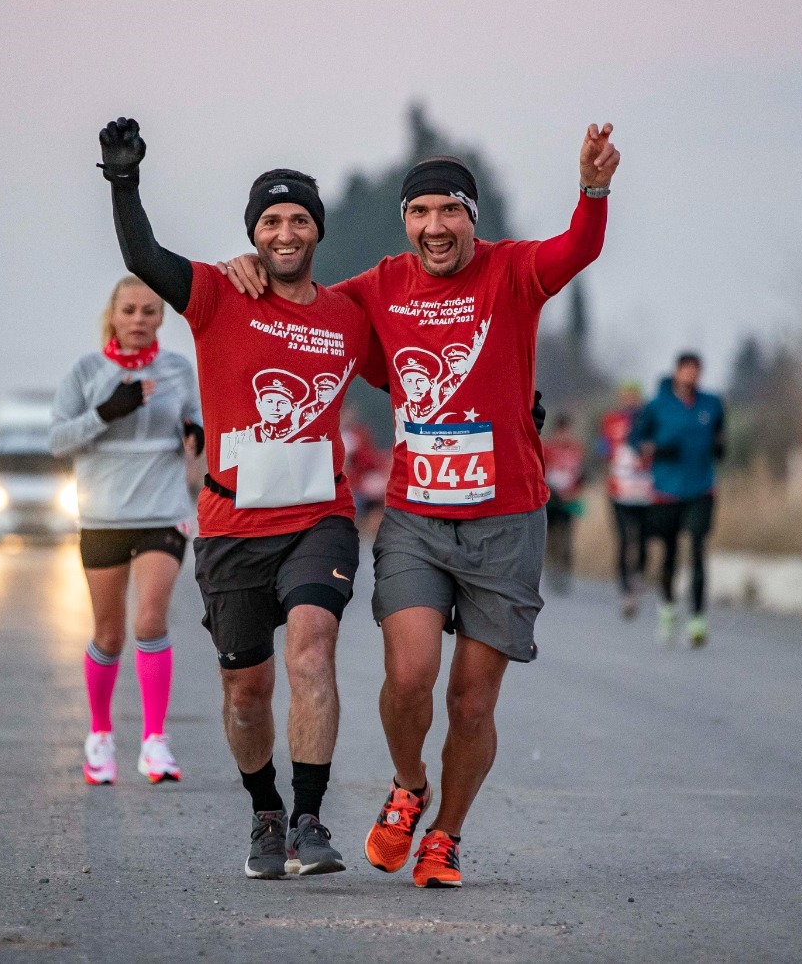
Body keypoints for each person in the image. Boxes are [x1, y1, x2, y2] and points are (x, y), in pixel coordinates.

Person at [222, 123, 620, 887]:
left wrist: (593, 191)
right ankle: (408, 787)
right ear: (405, 222)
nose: (435, 227)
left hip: (506, 520)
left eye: (450, 211)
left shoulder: (513, 273)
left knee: (471, 703)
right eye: (420, 213)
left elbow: (578, 248)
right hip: (416, 517)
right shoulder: (381, 285)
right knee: (408, 677)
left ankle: (447, 834)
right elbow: (307, 314)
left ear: (473, 218)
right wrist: (254, 270)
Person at [97, 117, 373, 878]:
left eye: (298, 219)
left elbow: (423, 363)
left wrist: (519, 409)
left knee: (312, 648)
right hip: (230, 526)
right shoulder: (218, 293)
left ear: (318, 229)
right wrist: (125, 182)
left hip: (320, 517)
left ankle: (312, 819)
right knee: (246, 691)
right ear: (255, 233)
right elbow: (142, 257)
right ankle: (266, 814)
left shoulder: (349, 315)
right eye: (270, 221)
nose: (285, 233)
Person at [50, 277, 203, 786]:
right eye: (130, 310)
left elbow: (199, 417)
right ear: (113, 315)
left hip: (162, 511)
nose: (140, 319)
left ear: (161, 318)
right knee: (109, 634)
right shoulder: (88, 371)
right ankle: (99, 735)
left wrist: (196, 430)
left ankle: (155, 742)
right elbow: (57, 440)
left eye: (150, 311)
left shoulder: (178, 370)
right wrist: (105, 412)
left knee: (151, 621)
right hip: (104, 516)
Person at [632, 353, 725, 647]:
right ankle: (668, 607)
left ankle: (698, 618)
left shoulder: (711, 404)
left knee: (698, 549)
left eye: (696, 371)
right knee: (669, 552)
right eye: (686, 371)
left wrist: (719, 448)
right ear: (676, 372)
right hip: (666, 490)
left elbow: (721, 436)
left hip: (701, 487)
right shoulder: (658, 405)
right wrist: (654, 449)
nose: (691, 377)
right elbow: (636, 438)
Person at [599, 383, 654, 617]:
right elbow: (602, 450)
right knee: (623, 539)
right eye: (626, 396)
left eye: (634, 396)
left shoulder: (650, 422)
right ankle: (625, 589)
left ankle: (639, 575)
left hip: (644, 490)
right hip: (619, 491)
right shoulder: (611, 421)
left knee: (642, 538)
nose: (630, 400)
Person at [541, 412, 587, 593]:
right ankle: (552, 570)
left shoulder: (576, 449)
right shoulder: (547, 448)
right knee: (550, 536)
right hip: (550, 498)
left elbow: (582, 473)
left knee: (566, 537)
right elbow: (540, 472)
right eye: (561, 431)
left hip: (569, 498)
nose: (564, 435)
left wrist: (576, 492)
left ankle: (564, 571)